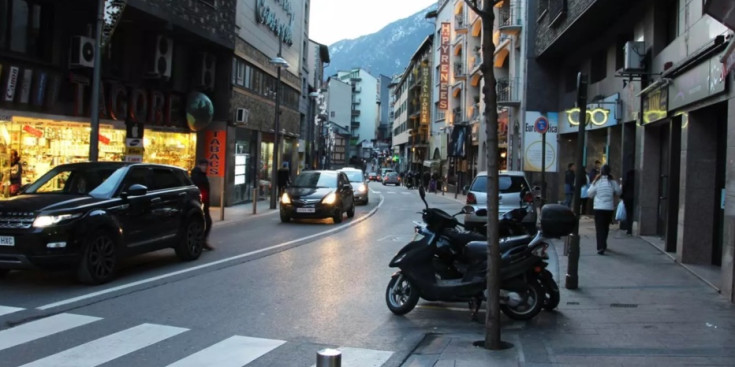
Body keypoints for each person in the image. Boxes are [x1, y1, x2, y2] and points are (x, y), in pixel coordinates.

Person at [587, 164, 622, 255]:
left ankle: (600, 247)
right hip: (609, 208)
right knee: (606, 227)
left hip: (598, 208)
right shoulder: (613, 182)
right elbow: (618, 191)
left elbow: (590, 194)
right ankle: (604, 244)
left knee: (599, 228)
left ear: (601, 171)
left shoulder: (597, 182)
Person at [191, 158, 214, 251]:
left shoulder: (201, 174)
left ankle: (202, 241)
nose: (205, 167)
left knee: (206, 222)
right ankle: (200, 242)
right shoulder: (196, 175)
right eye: (204, 165)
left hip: (204, 202)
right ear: (199, 165)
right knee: (205, 222)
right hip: (200, 203)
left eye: (206, 166)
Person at [621, 169, 635, 235]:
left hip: (627, 199)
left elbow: (623, 190)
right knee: (631, 213)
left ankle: (629, 228)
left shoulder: (626, 182)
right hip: (633, 198)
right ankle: (631, 228)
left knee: (628, 214)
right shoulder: (635, 182)